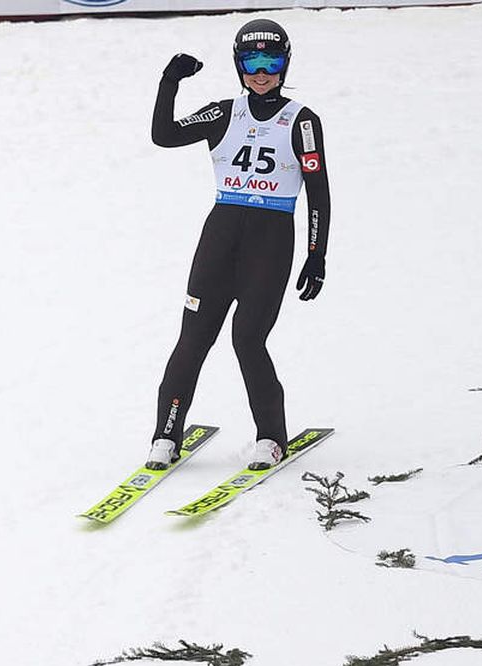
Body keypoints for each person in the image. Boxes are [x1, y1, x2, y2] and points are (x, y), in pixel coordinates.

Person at [145, 18, 330, 471]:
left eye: (272, 61)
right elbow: (164, 135)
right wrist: (170, 81)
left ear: (285, 64)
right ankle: (165, 436)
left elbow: (319, 191)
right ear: (239, 65)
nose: (261, 72)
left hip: (270, 243)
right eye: (252, 61)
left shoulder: (302, 121)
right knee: (192, 340)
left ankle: (271, 438)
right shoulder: (225, 112)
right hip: (220, 238)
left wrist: (316, 253)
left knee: (247, 339)